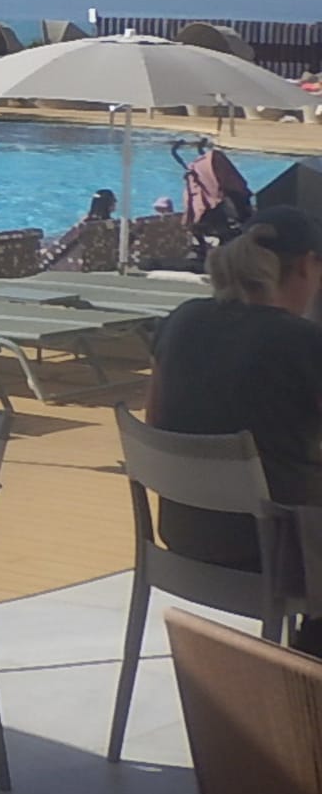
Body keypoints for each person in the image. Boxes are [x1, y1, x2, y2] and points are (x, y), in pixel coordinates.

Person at [146, 208, 322, 573]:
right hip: (283, 556)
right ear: (307, 266)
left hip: (185, 537)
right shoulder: (302, 342)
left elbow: (154, 423)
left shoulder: (181, 321)